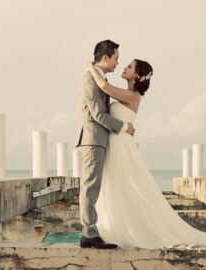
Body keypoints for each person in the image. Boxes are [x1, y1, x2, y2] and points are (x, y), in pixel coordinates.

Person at [86, 58, 206, 249]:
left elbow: (105, 87)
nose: (124, 67)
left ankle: (125, 229)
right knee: (117, 185)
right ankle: (112, 227)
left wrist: (92, 68)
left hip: (120, 145)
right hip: (117, 142)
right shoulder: (127, 94)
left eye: (130, 67)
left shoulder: (132, 95)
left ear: (138, 75)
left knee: (126, 185)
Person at [75, 40, 135, 249]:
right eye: (116, 58)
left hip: (99, 140)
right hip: (92, 139)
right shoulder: (89, 80)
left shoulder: (97, 78)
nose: (118, 62)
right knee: (90, 187)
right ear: (105, 58)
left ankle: (91, 232)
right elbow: (99, 114)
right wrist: (123, 127)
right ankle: (89, 233)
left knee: (94, 186)